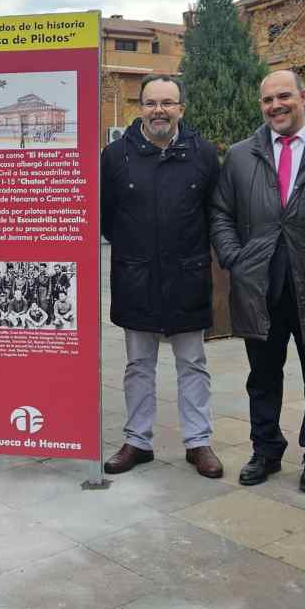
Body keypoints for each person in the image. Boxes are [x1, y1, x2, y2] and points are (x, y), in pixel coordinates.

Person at [211, 70, 305, 492]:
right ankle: (266, 449)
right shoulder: (239, 155)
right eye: (267, 100)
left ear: (304, 97)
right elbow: (220, 214)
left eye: (284, 96)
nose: (276, 106)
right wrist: (235, 259)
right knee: (263, 376)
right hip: (259, 284)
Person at [100, 74, 223, 479]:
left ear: (181, 109)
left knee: (193, 364)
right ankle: (137, 441)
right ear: (140, 107)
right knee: (138, 365)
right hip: (134, 279)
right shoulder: (115, 156)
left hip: (187, 278)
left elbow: (214, 215)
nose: (159, 111)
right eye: (151, 102)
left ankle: (198, 442)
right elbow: (106, 219)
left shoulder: (204, 154)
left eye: (168, 103)